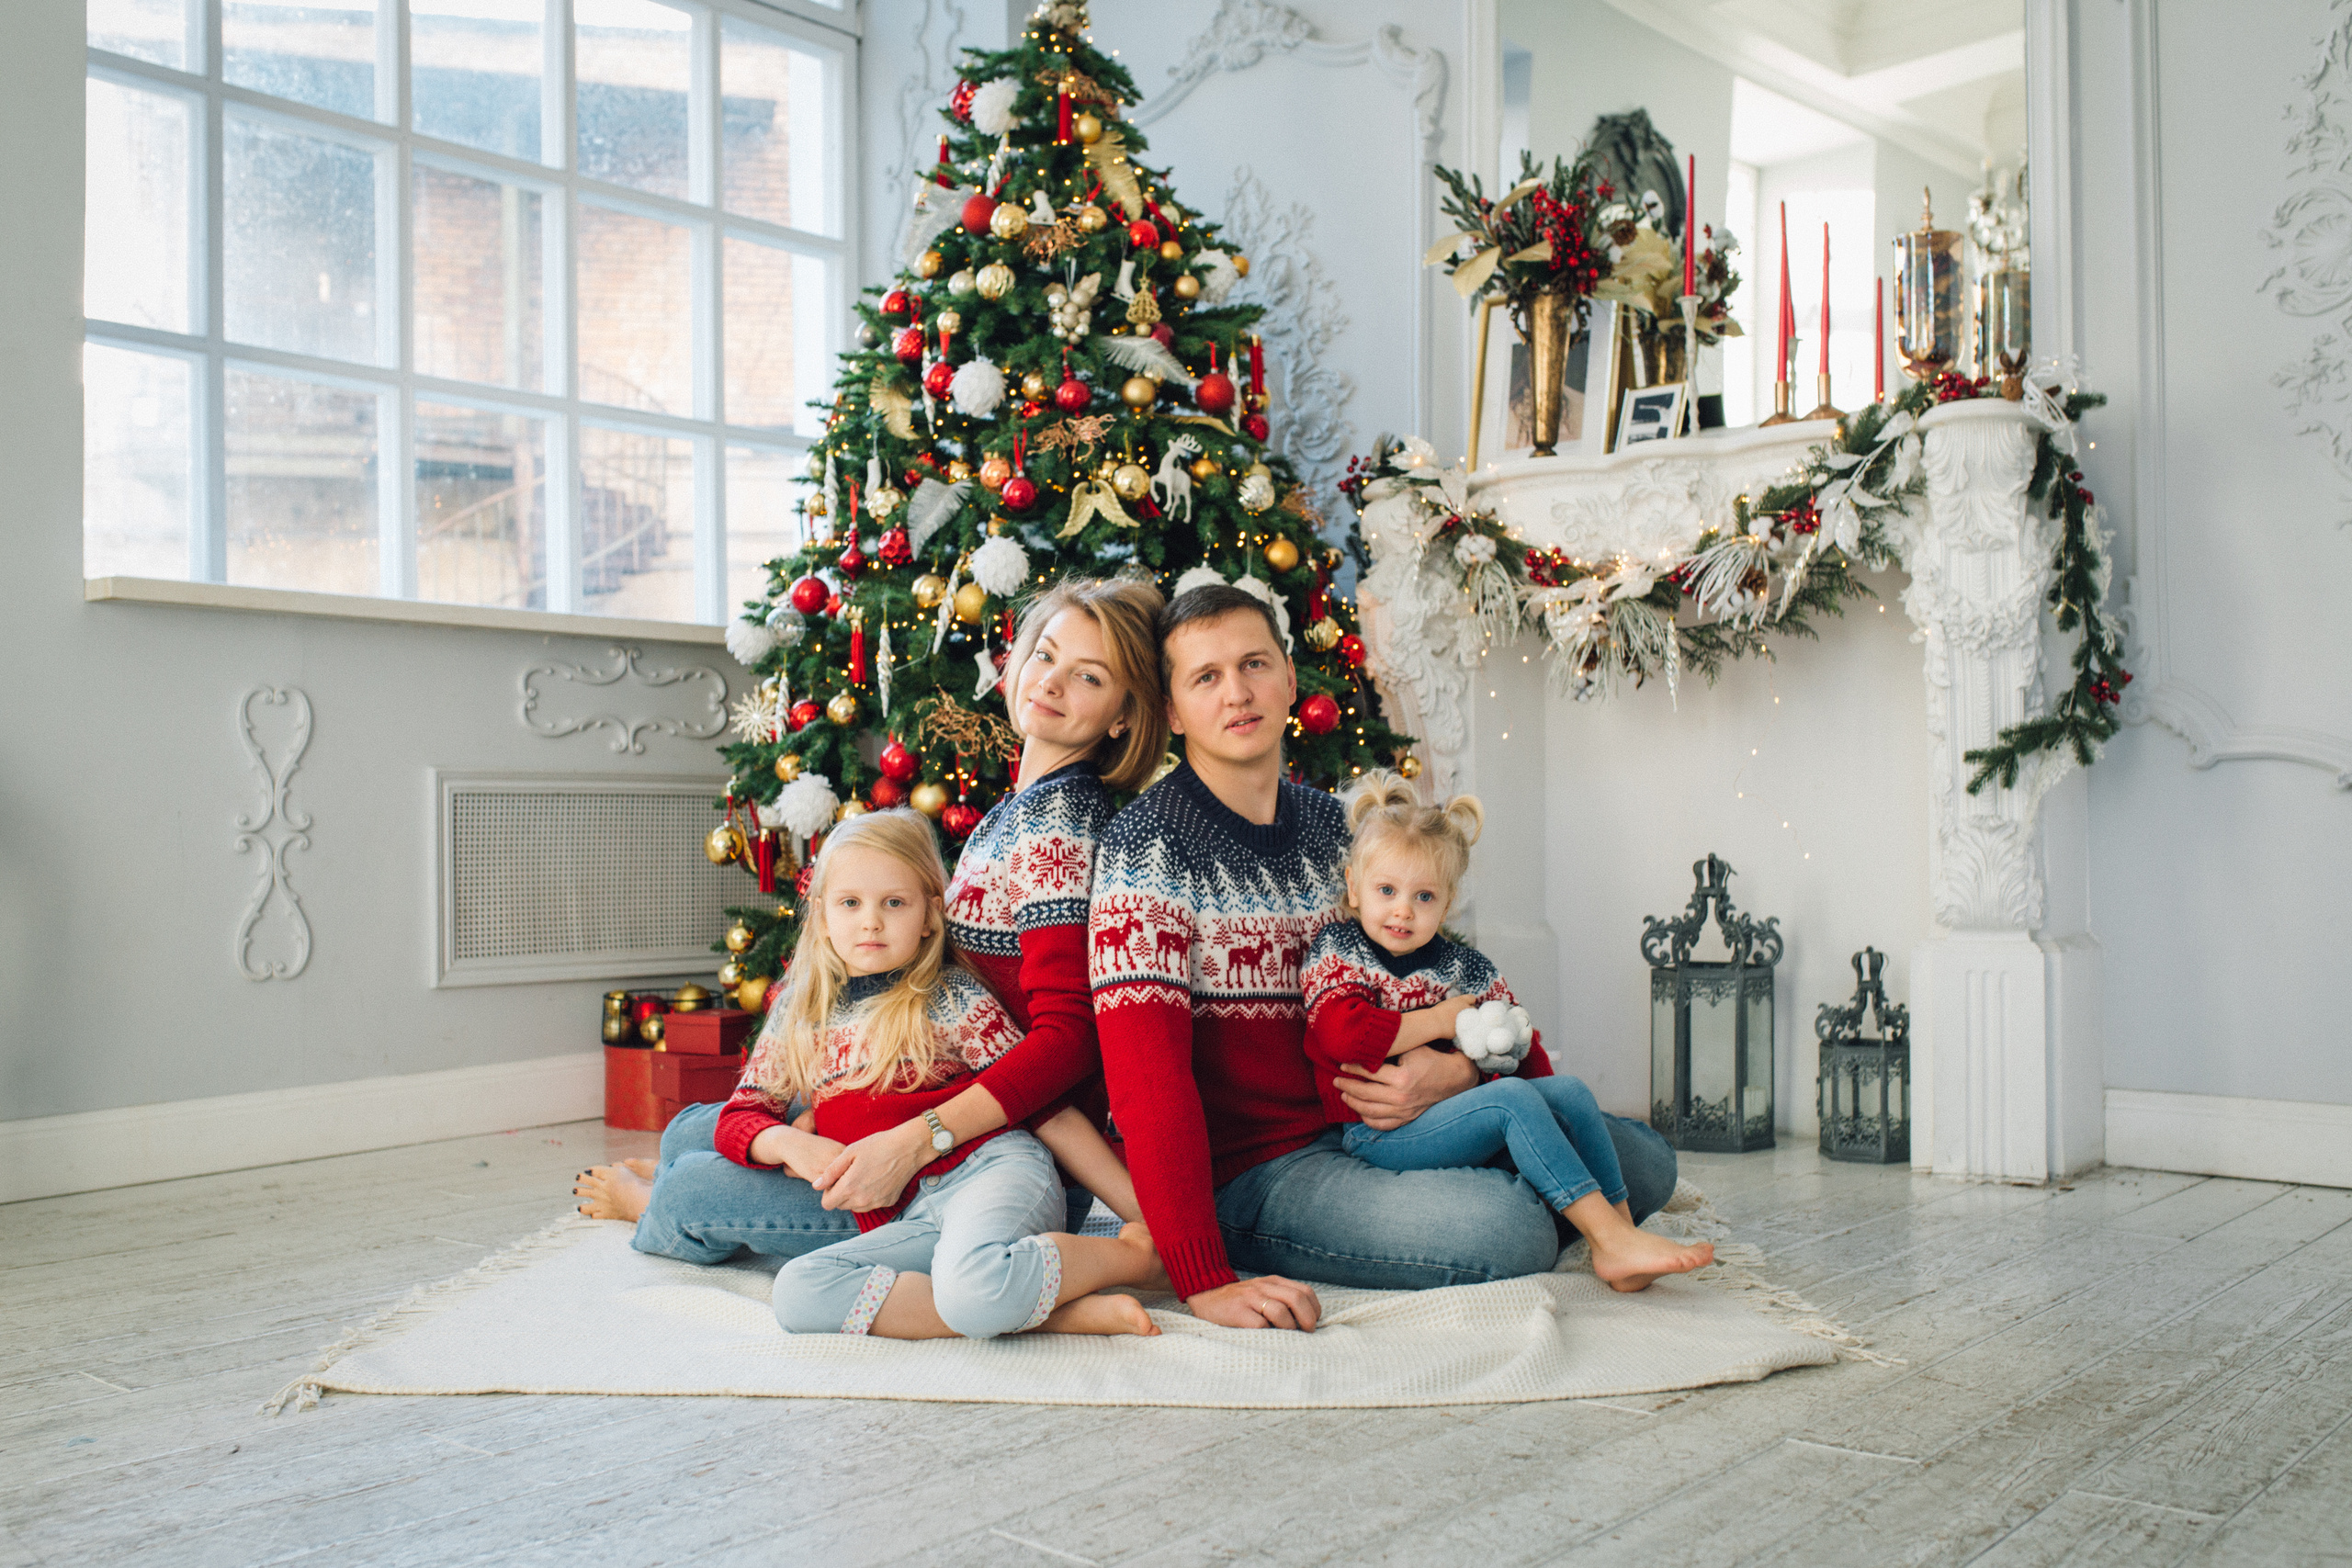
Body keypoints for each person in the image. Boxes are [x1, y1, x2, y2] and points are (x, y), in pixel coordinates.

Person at [1089, 583, 1679, 1331]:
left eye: (1254, 663)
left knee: (1648, 1161)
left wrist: (1459, 1072)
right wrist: (1202, 1276)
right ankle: (1537, 1207)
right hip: (1258, 1171)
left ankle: (1540, 1200)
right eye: (1205, 677)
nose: (1237, 692)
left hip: (1380, 1129)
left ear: (1291, 677)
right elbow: (1148, 1080)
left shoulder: (1339, 827)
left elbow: (1442, 973)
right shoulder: (1147, 847)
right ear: (1173, 711)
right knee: (1508, 1229)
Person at [574, 575, 1167, 1263]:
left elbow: (1067, 1042)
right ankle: (704, 1173)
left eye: (1088, 677)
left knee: (695, 1179)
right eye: (1047, 654)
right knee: (691, 1131)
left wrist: (1147, 1219)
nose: (1051, 683)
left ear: (1124, 715)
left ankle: (664, 1205)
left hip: (978, 1153)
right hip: (908, 1076)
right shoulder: (1023, 806)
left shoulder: (1058, 820)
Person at [745, 809, 1162, 1337]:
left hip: (994, 1173)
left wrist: (1143, 1211)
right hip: (913, 1211)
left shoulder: (951, 998)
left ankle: (1134, 1260)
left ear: (928, 916)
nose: (870, 921)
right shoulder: (796, 1011)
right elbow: (743, 1111)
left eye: (894, 903)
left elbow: (1037, 1101)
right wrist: (786, 1142)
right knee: (799, 1292)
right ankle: (1055, 1314)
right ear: (823, 914)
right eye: (850, 903)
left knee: (975, 1285)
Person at [1303, 772, 1712, 1292]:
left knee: (1567, 1090)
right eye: (1386, 890)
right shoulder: (1339, 950)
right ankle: (1608, 1237)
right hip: (1379, 1133)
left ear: (1447, 904)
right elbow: (1343, 1035)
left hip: (1450, 1115)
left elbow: (1521, 1043)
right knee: (1512, 1102)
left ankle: (1621, 1237)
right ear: (1355, 889)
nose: (1403, 909)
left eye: (1424, 896)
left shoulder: (1466, 966)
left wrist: (1552, 1103)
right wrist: (1443, 1019)